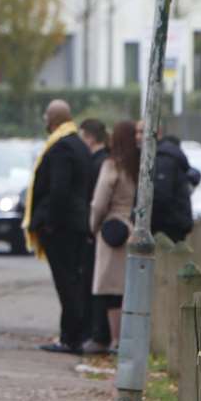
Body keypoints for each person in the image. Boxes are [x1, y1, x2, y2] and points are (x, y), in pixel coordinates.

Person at [24, 99, 92, 354]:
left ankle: (71, 338)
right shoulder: (78, 144)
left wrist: (50, 223)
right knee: (72, 280)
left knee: (67, 283)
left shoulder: (61, 148)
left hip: (62, 227)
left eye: (46, 117)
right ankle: (72, 334)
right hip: (75, 223)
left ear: (53, 120)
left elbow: (59, 190)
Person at [89, 119, 138, 351]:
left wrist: (93, 225)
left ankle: (116, 340)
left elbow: (99, 203)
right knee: (128, 288)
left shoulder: (112, 165)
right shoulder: (140, 165)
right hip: (134, 229)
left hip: (113, 231)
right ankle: (129, 338)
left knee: (111, 290)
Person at [78, 119, 111, 353]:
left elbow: (97, 202)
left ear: (89, 137)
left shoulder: (98, 163)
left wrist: (91, 227)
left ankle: (98, 334)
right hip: (108, 230)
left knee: (99, 283)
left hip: (102, 231)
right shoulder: (105, 161)